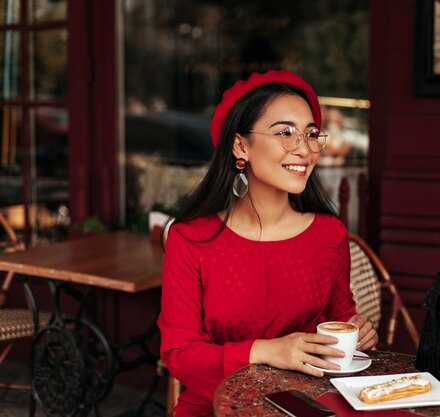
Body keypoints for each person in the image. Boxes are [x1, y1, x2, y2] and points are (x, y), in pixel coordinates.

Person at [157, 70, 379, 416]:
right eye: (285, 133)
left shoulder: (328, 235)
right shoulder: (191, 238)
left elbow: (339, 320)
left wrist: (358, 332)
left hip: (310, 405)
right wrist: (263, 351)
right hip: (214, 406)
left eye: (310, 134)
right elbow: (179, 354)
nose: (304, 150)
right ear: (240, 145)